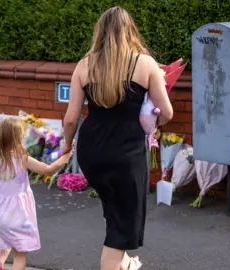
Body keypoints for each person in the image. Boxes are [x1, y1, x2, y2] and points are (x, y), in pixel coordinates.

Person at [61, 6, 173, 270]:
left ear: (99, 33)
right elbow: (166, 112)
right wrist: (151, 120)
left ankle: (126, 264)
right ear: (130, 30)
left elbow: (70, 119)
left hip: (92, 152)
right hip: (125, 153)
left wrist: (67, 145)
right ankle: (118, 261)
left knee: (115, 216)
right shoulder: (144, 63)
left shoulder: (84, 65)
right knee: (120, 232)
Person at [0, 117, 73, 270]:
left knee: (6, 239)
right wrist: (65, 157)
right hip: (17, 215)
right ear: (17, 138)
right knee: (20, 254)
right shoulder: (22, 159)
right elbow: (48, 169)